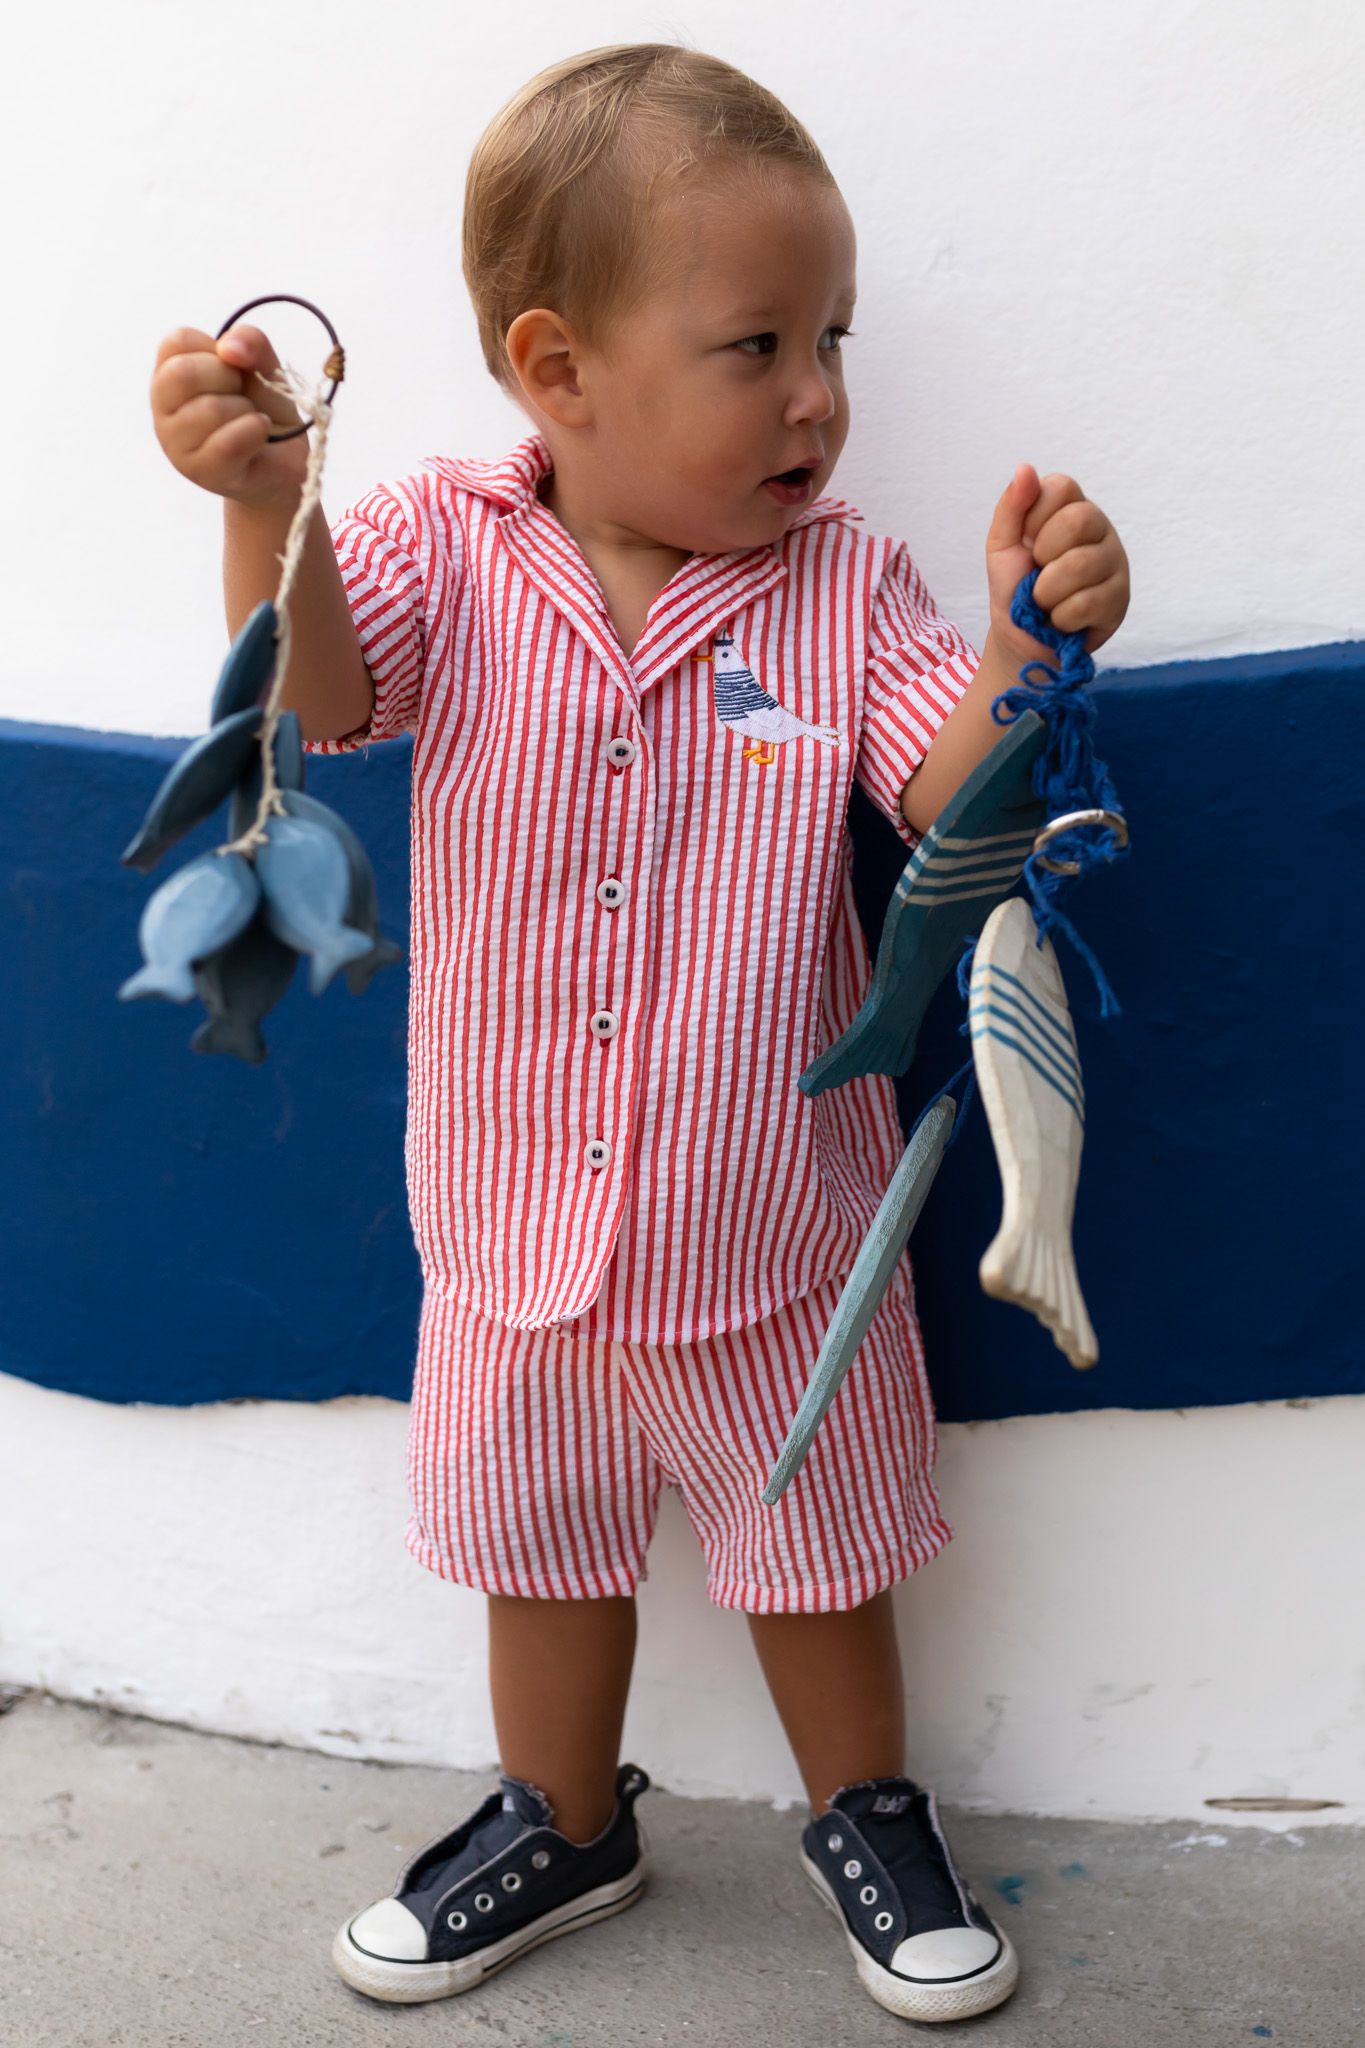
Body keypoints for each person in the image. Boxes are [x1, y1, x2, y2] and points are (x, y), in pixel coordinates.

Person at [149, 43, 1128, 2025]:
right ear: (557, 367)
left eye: (830, 337)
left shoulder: (841, 593)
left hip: (774, 1223)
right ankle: (562, 1812)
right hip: (514, 1220)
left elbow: (950, 799)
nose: (820, 394)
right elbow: (318, 700)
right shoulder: (436, 538)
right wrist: (276, 509)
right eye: (756, 342)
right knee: (543, 1548)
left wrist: (1031, 654)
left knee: (815, 1546)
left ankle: (862, 1803)